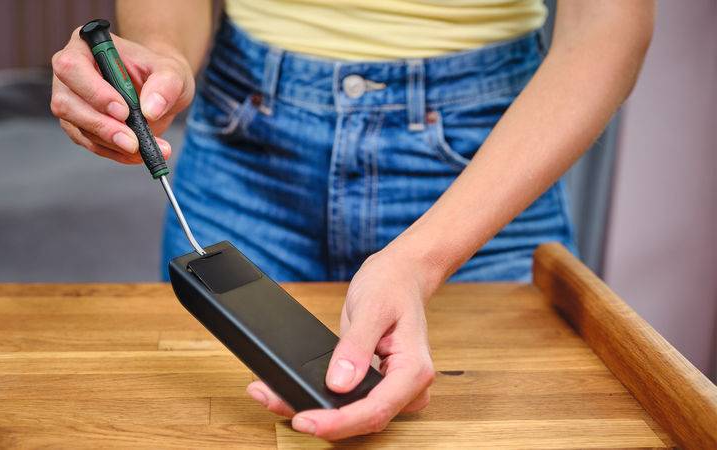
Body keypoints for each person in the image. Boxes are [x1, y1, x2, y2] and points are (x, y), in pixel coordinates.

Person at [50, 0, 654, 440]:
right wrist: (160, 52)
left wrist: (422, 259)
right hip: (247, 136)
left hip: (487, 159)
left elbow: (607, 23)